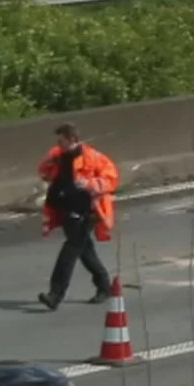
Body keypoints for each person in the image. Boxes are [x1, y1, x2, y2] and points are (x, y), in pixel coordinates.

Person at [36, 124, 118, 312]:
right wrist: (50, 160)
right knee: (84, 250)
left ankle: (55, 294)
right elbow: (43, 172)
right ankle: (104, 285)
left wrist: (90, 184)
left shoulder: (92, 158)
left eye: (61, 140)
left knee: (71, 249)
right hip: (66, 209)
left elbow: (111, 179)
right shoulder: (58, 156)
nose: (58, 144)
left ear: (72, 139)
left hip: (87, 211)